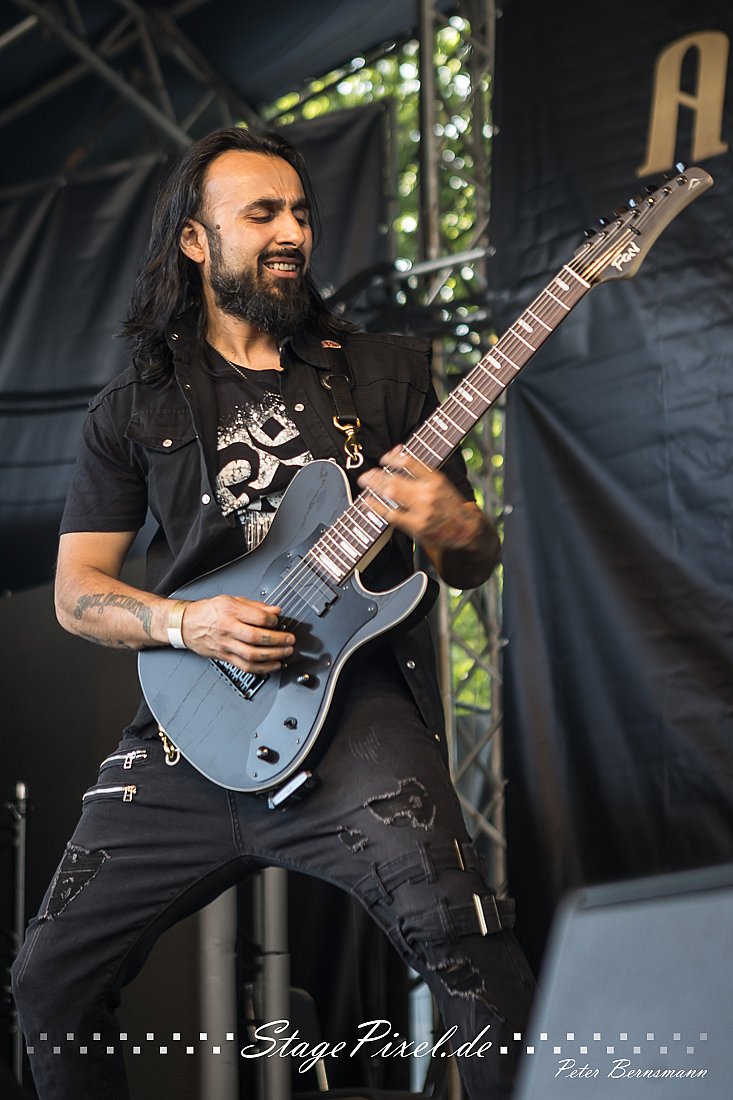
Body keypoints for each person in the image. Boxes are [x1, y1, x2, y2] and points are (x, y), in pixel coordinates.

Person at [11, 126, 534, 1099]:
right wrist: (186, 624)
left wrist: (454, 521)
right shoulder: (134, 407)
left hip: (355, 714)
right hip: (193, 718)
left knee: (467, 946)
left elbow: (469, 561)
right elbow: (78, 594)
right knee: (49, 981)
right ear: (195, 240)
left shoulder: (384, 376)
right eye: (262, 214)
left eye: (299, 213)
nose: (291, 231)